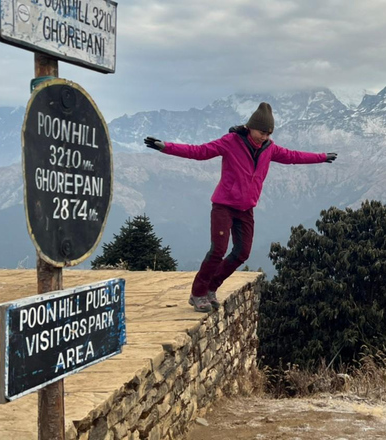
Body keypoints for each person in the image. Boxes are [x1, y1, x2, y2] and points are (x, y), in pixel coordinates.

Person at [144, 102, 337, 312]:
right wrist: (165, 147)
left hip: (246, 209)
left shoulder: (269, 149)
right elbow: (199, 152)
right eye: (262, 132)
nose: (265, 137)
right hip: (223, 205)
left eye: (268, 133)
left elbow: (293, 157)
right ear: (250, 127)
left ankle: (211, 287)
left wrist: (321, 157)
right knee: (218, 249)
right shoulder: (231, 142)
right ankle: (197, 293)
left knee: (242, 252)